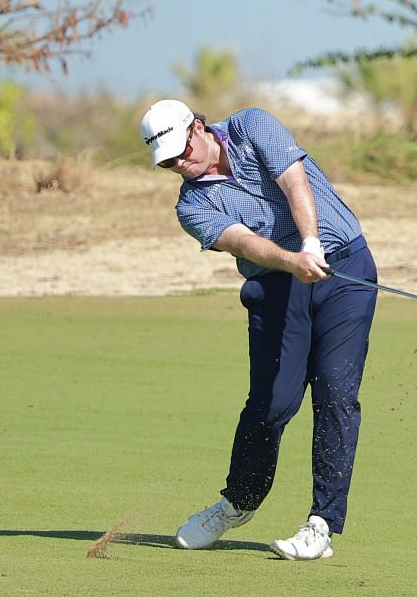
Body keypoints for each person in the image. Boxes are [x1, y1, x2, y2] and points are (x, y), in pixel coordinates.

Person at [139, 97, 378, 562]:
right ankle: (238, 502)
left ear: (198, 127)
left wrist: (311, 243)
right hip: (276, 284)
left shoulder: (252, 126)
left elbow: (294, 181)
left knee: (335, 391)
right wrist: (293, 261)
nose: (179, 163)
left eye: (180, 150)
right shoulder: (192, 207)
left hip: (343, 265)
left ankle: (322, 523)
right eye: (167, 161)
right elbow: (244, 242)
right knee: (272, 403)